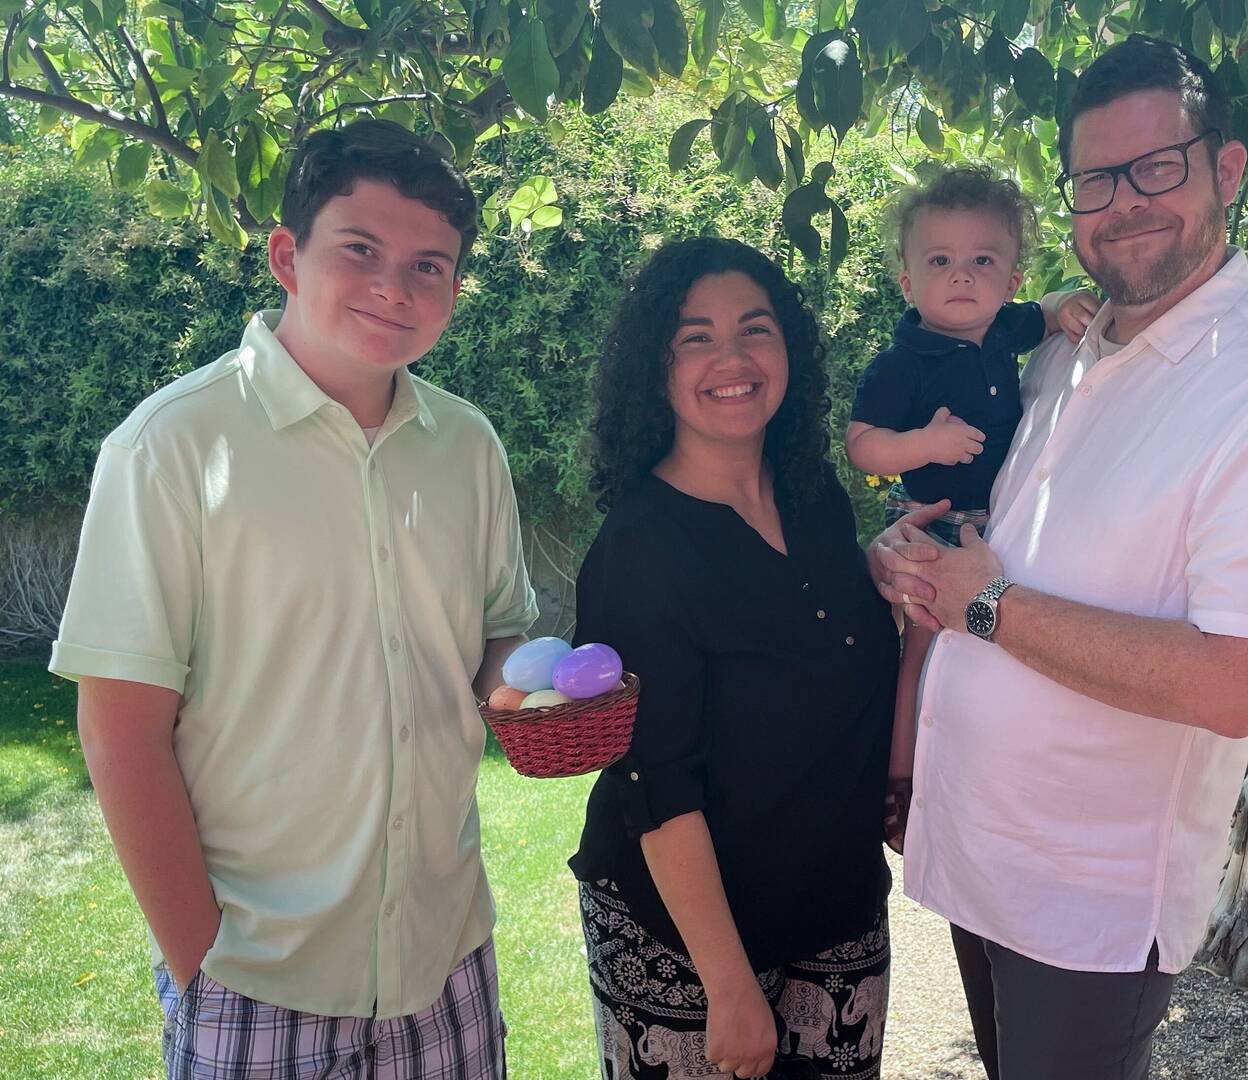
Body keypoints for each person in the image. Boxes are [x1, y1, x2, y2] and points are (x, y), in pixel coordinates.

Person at [869, 35, 1248, 1080]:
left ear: (1226, 169)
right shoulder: (1060, 353)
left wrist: (987, 604)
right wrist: (910, 554)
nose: (1126, 200)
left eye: (1159, 166)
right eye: (1098, 177)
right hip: (978, 848)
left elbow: (1234, 684)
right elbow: (982, 536)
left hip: (1087, 899)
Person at [50, 119, 537, 1077]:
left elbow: (496, 640)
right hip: (255, 980)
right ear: (287, 254)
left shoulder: (470, 447)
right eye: (361, 249)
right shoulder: (171, 449)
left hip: (447, 964)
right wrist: (205, 963)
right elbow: (119, 731)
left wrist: (537, 685)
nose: (396, 286)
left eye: (430, 265)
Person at [570, 237, 899, 1080]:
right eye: (695, 337)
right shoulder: (639, 548)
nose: (732, 359)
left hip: (835, 903)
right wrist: (727, 984)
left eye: (755, 330)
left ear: (788, 349)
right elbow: (656, 779)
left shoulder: (815, 496)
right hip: (684, 938)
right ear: (658, 365)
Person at [843, 165, 1096, 848]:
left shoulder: (1004, 330)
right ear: (908, 283)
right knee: (921, 641)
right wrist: (925, 443)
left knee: (991, 649)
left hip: (1000, 524)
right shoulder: (902, 362)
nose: (962, 276)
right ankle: (900, 782)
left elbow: (1045, 315)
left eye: (983, 260)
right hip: (938, 519)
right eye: (941, 261)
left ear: (1010, 281)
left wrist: (1068, 301)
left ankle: (978, 776)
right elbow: (862, 445)